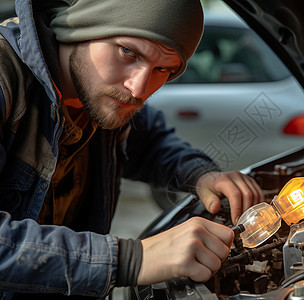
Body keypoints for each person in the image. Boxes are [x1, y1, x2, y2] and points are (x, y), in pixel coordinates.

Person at [0, 0, 265, 298]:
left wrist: (202, 175)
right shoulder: (4, 78)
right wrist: (132, 259)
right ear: (82, 24)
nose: (138, 88)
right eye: (128, 51)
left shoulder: (103, 96)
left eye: (163, 69)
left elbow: (152, 143)